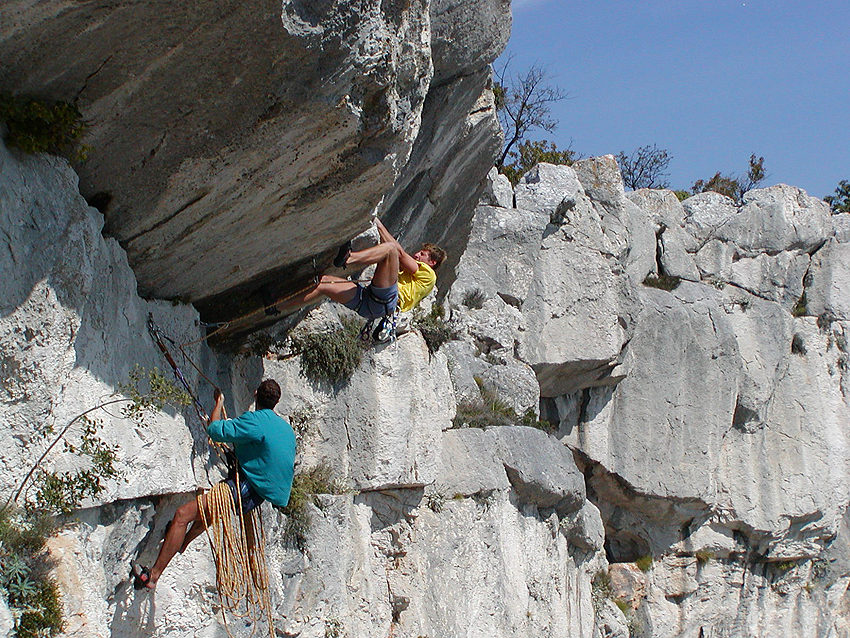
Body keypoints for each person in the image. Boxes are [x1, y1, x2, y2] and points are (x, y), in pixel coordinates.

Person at [132, 379, 295, 590]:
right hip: (260, 495)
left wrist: (219, 403)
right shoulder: (286, 430)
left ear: (255, 394)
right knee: (210, 512)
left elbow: (215, 430)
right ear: (277, 402)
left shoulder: (255, 421)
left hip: (245, 487)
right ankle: (180, 544)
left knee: (182, 515)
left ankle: (153, 576)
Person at [272, 219, 446, 320]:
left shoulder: (429, 275)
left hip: (385, 301)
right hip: (371, 305)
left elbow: (398, 253)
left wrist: (377, 223)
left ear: (432, 262)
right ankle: (276, 305)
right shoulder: (411, 277)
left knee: (391, 250)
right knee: (324, 283)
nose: (416, 254)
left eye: (423, 254)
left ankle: (349, 258)